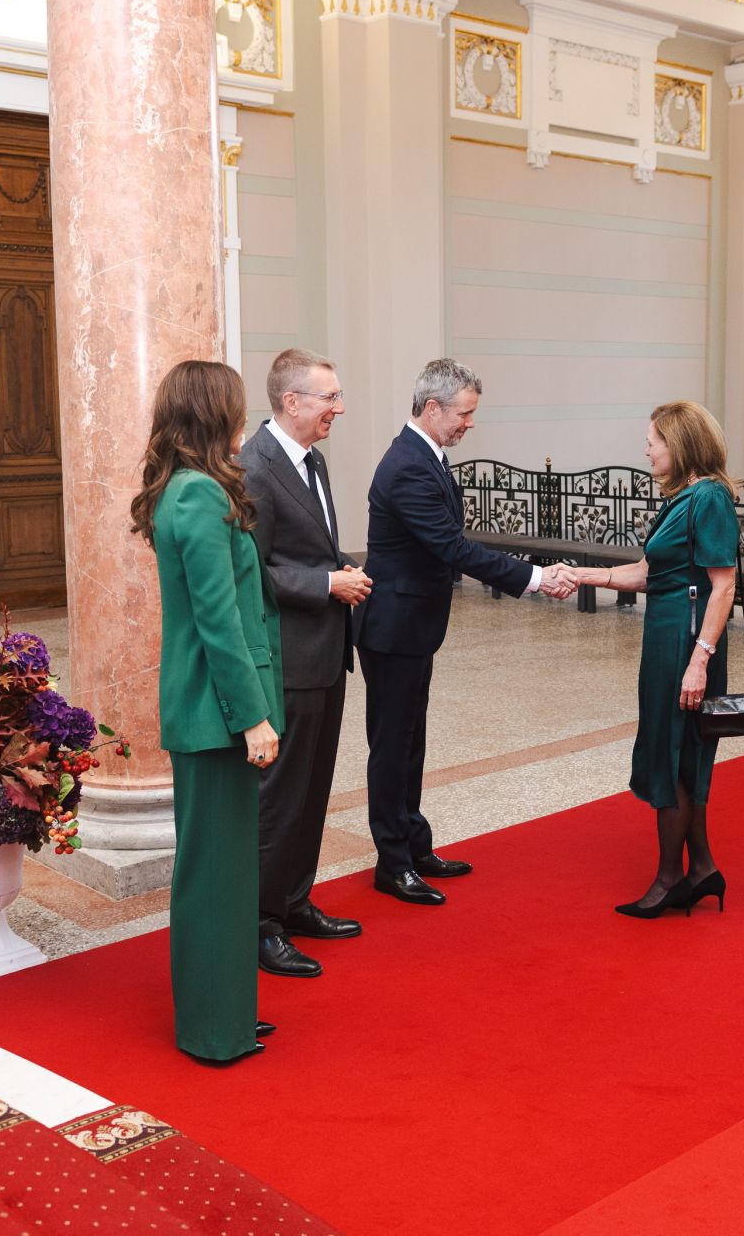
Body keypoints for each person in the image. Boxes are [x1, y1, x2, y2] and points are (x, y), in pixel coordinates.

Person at [356, 359, 575, 906]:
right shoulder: (408, 464)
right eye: (464, 413)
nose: (469, 423)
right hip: (394, 627)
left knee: (411, 741)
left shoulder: (427, 456)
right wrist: (534, 577)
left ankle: (414, 843)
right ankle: (393, 862)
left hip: (413, 625)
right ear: (432, 408)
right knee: (391, 747)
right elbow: (452, 548)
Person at [131, 359, 282, 1064]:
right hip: (216, 714)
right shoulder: (195, 497)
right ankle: (213, 1030)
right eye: (236, 407)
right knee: (213, 874)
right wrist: (250, 716)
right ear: (211, 413)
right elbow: (219, 622)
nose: (244, 420)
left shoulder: (191, 488)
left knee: (225, 871)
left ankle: (227, 1011)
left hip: (215, 710)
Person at [570, 402, 738, 919]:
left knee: (674, 751)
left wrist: (699, 660)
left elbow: (723, 584)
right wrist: (582, 576)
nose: (646, 449)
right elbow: (647, 571)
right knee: (678, 751)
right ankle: (703, 867)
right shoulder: (684, 498)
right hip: (666, 634)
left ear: (680, 443)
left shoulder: (708, 497)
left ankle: (670, 879)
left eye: (653, 440)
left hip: (687, 640)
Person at [240, 350, 369, 980]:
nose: (338, 408)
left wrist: (341, 567)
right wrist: (326, 585)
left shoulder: (310, 459)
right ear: (292, 402)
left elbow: (308, 544)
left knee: (313, 787)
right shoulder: (255, 468)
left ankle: (294, 902)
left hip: (323, 652)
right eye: (329, 397)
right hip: (286, 658)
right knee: (279, 796)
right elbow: (253, 570)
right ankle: (261, 924)